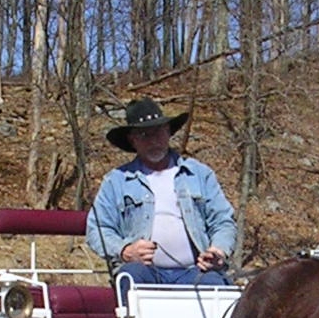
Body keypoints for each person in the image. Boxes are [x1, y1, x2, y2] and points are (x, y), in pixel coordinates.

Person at [86, 98, 237, 286]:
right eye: (144, 135)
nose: (153, 141)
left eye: (158, 132)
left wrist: (218, 251)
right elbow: (97, 229)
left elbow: (223, 220)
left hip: (196, 271)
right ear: (132, 140)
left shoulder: (199, 174)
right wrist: (125, 250)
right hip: (145, 273)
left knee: (216, 285)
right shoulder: (116, 181)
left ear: (168, 133)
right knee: (130, 277)